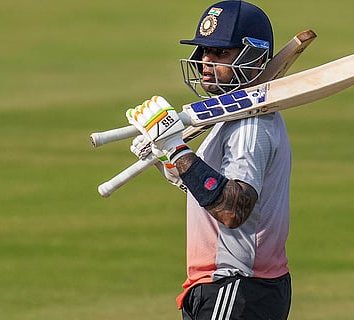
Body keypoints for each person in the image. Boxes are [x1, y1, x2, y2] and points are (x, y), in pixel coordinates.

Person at [127, 1, 292, 319]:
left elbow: (233, 208)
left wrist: (178, 148)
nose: (205, 62)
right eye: (204, 51)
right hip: (229, 288)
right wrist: (166, 158)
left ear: (253, 58)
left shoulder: (250, 125)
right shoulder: (231, 116)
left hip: (237, 285)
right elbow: (210, 192)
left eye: (219, 54)